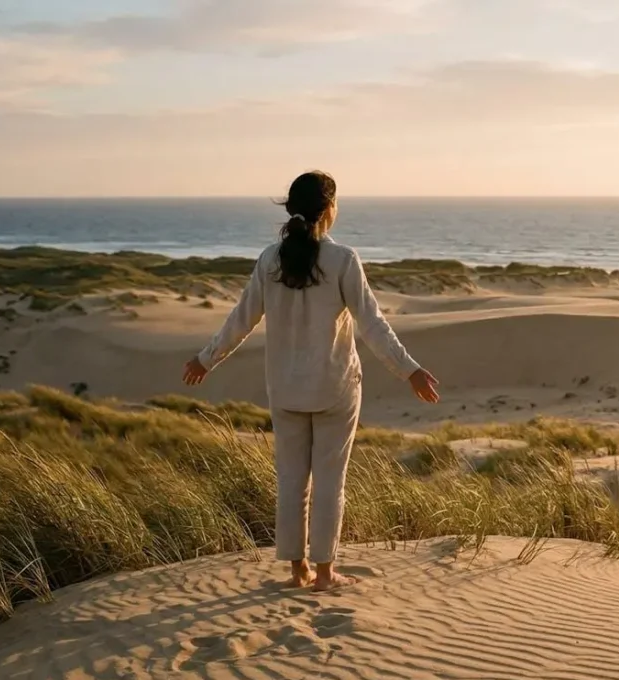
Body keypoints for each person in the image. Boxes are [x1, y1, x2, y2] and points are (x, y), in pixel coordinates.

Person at [182, 170, 439, 591]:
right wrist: (409, 369)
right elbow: (372, 325)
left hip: (285, 389)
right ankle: (324, 574)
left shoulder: (270, 259)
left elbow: (240, 320)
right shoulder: (342, 260)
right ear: (329, 209)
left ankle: (297, 570)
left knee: (291, 482)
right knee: (329, 482)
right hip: (335, 388)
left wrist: (206, 359)